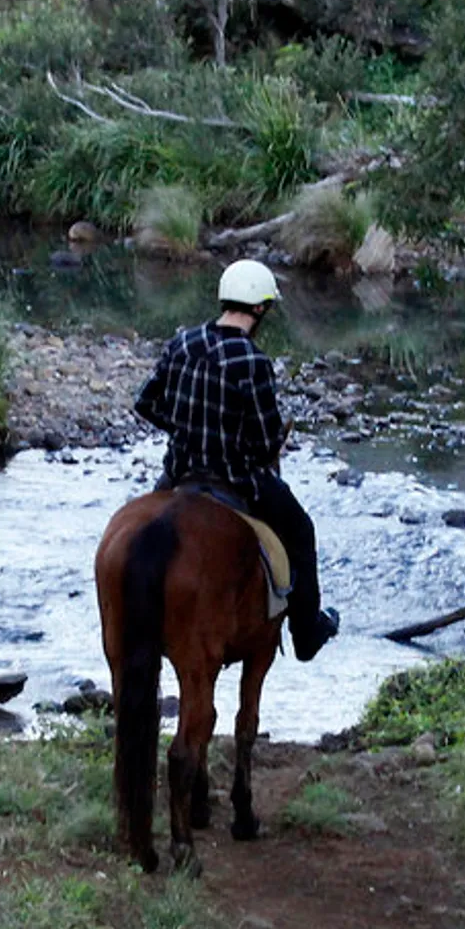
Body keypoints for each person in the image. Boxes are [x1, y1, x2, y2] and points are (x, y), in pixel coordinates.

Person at [134, 258, 339, 661]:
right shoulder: (253, 362)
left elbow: (145, 403)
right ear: (260, 308)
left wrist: (181, 427)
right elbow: (265, 442)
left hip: (178, 473)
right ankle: (306, 632)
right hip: (236, 478)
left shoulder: (182, 342)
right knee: (300, 531)